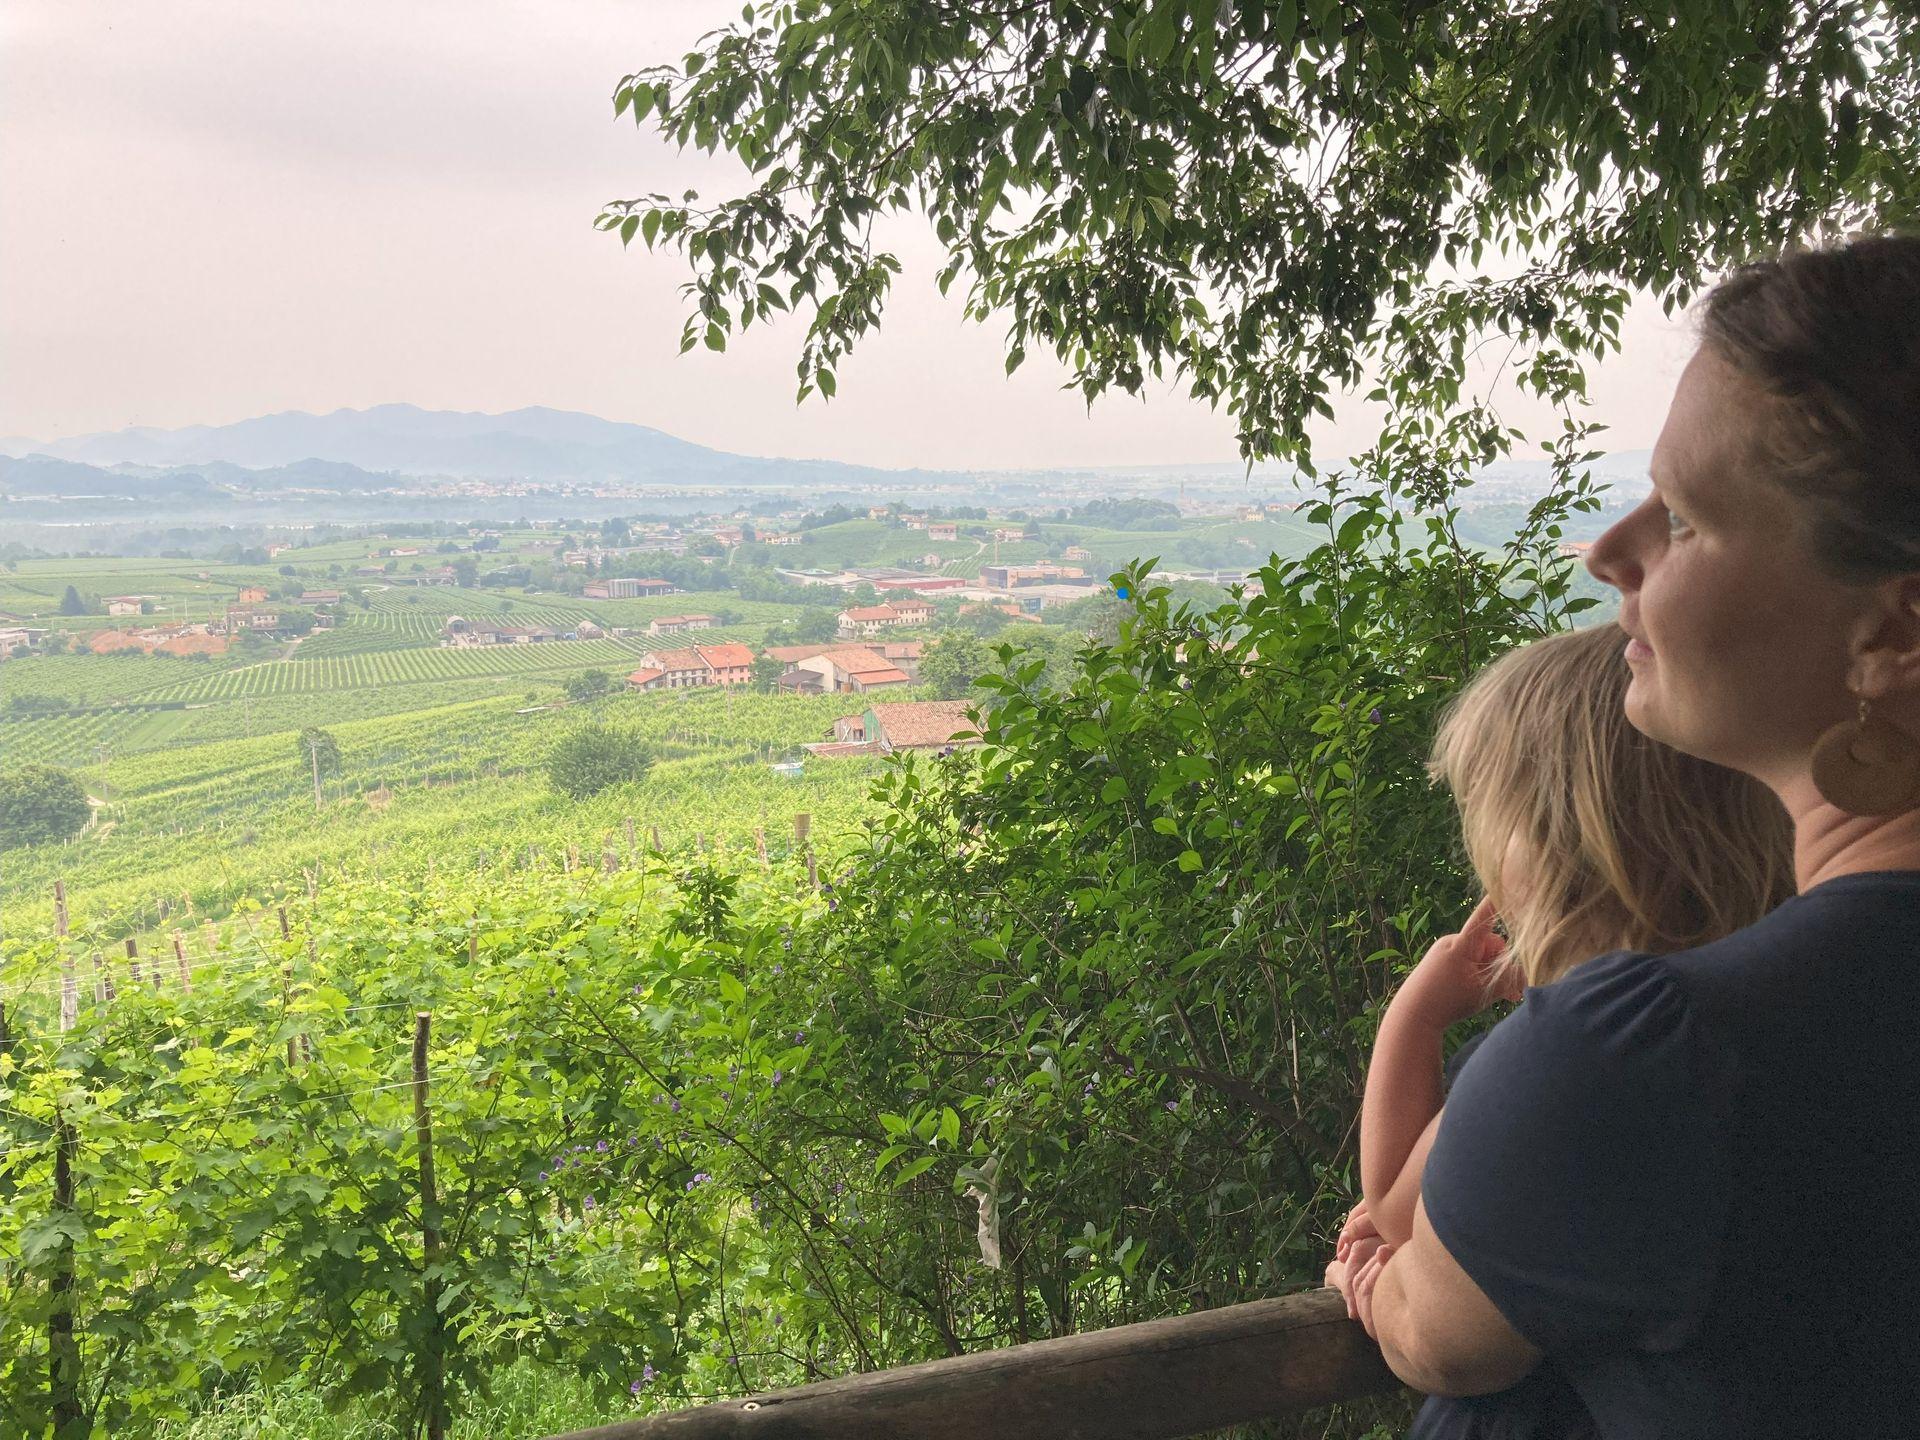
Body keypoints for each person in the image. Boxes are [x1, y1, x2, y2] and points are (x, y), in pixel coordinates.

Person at [1333, 232, 1920, 1434]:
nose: (1609, 552)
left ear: (1894, 633)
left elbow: (1433, 1334)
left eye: (1686, 520)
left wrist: (1377, 1281)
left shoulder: (1648, 1059)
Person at [1329, 622, 1793, 1436]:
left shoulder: (1584, 1058)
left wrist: (1416, 1015)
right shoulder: (1767, 1008)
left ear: (1552, 841)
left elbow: (1391, 1211)